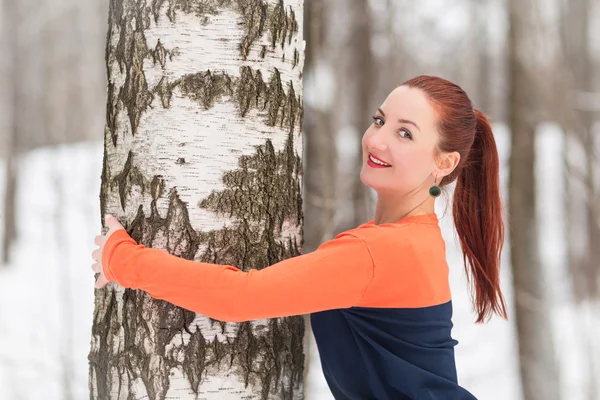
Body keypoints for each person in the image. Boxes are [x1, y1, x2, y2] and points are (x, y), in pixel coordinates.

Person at [91, 75, 507, 400]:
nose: (376, 139)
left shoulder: (379, 251)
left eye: (405, 133)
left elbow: (240, 298)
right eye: (379, 120)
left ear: (444, 162)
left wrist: (123, 259)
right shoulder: (417, 237)